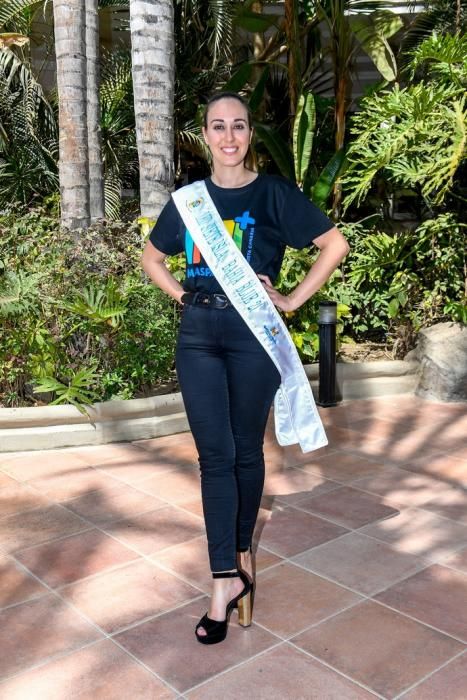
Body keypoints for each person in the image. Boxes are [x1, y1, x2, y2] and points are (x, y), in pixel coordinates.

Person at [141, 91, 349, 645]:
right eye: (217, 126)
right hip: (199, 335)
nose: (228, 136)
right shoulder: (188, 201)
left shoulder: (275, 193)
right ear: (205, 135)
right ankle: (225, 578)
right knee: (214, 458)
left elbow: (334, 244)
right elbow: (151, 257)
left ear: (250, 133)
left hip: (254, 333)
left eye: (238, 126)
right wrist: (181, 295)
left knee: (244, 450)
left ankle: (235, 560)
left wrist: (292, 298)